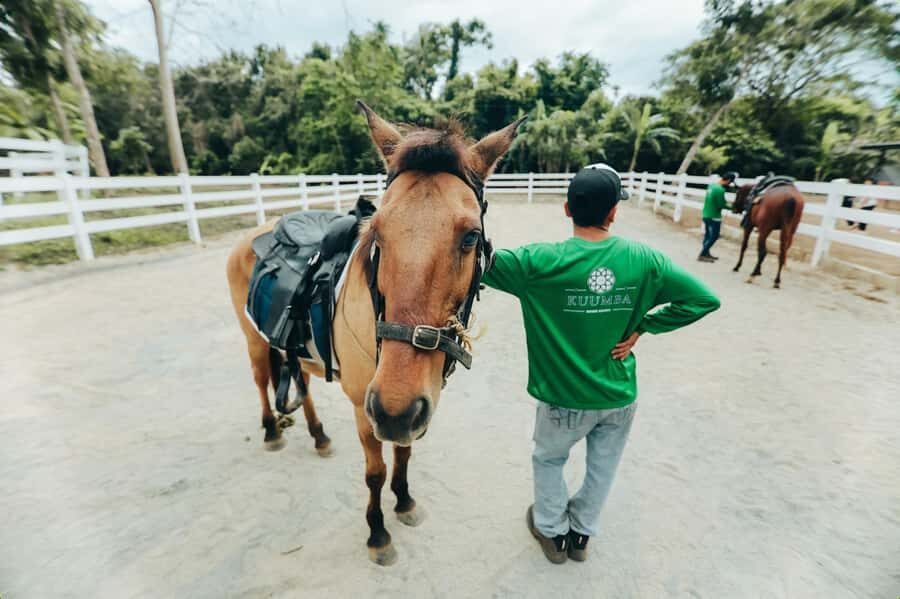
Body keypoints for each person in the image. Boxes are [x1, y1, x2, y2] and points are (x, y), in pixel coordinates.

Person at [481, 163, 721, 564]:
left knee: (549, 459)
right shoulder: (645, 260)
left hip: (562, 397)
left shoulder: (537, 262)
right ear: (614, 212)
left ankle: (552, 531)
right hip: (618, 394)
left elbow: (475, 262)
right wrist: (644, 326)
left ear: (567, 209)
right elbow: (704, 299)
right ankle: (581, 536)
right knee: (603, 467)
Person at [698, 171, 737, 262]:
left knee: (707, 235)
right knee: (715, 236)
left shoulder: (711, 186)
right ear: (728, 180)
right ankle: (702, 254)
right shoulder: (720, 190)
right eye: (730, 182)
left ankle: (706, 253)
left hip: (706, 214)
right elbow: (721, 204)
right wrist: (732, 208)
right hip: (714, 216)